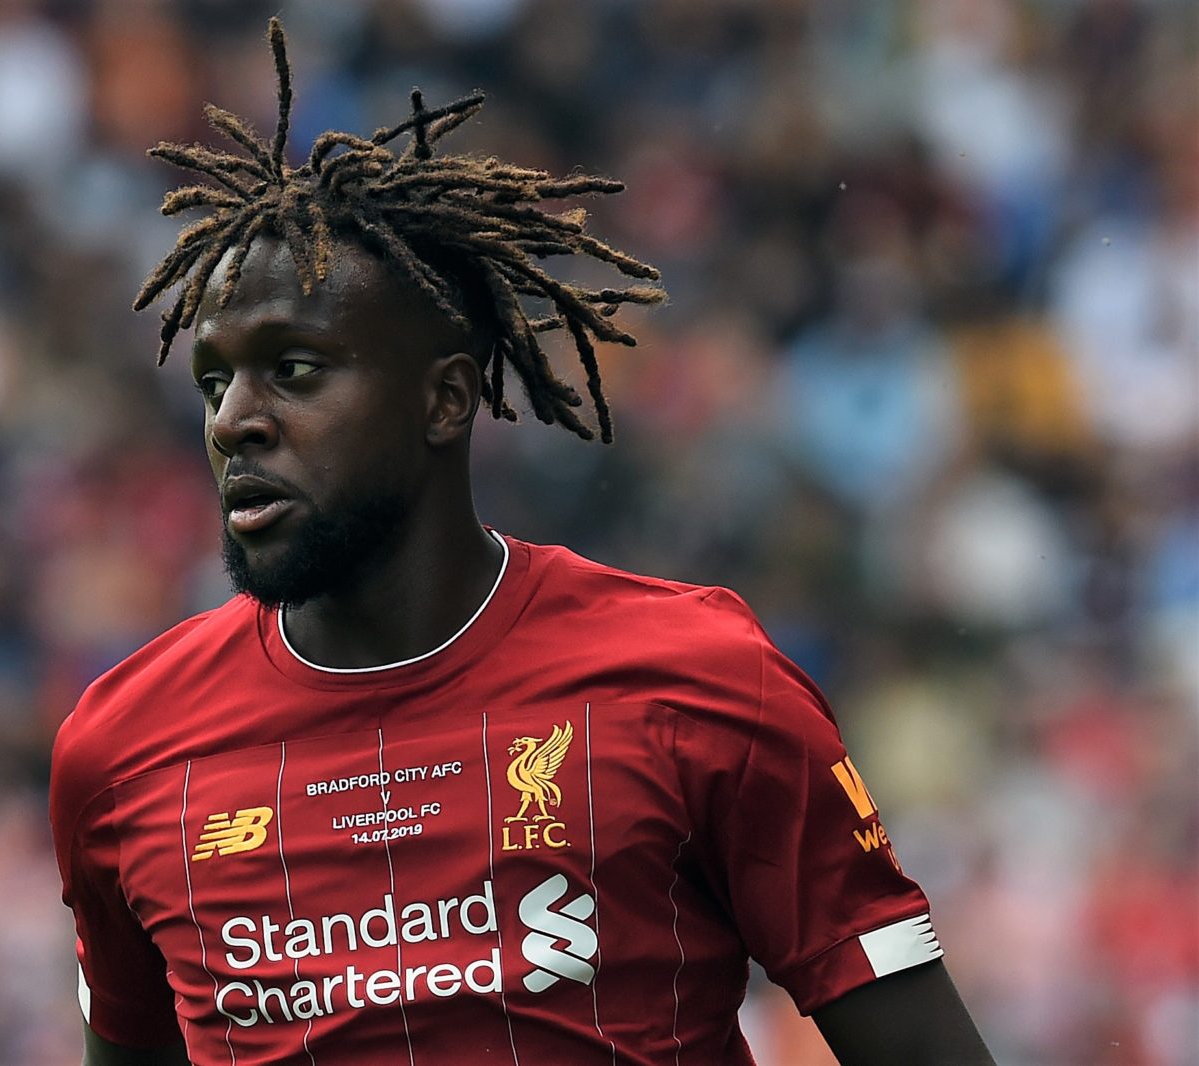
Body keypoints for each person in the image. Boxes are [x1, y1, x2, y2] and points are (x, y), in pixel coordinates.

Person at [49, 19, 994, 1066]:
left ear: (445, 398)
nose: (235, 420)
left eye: (297, 370)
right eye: (216, 380)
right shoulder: (125, 751)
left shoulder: (696, 683)